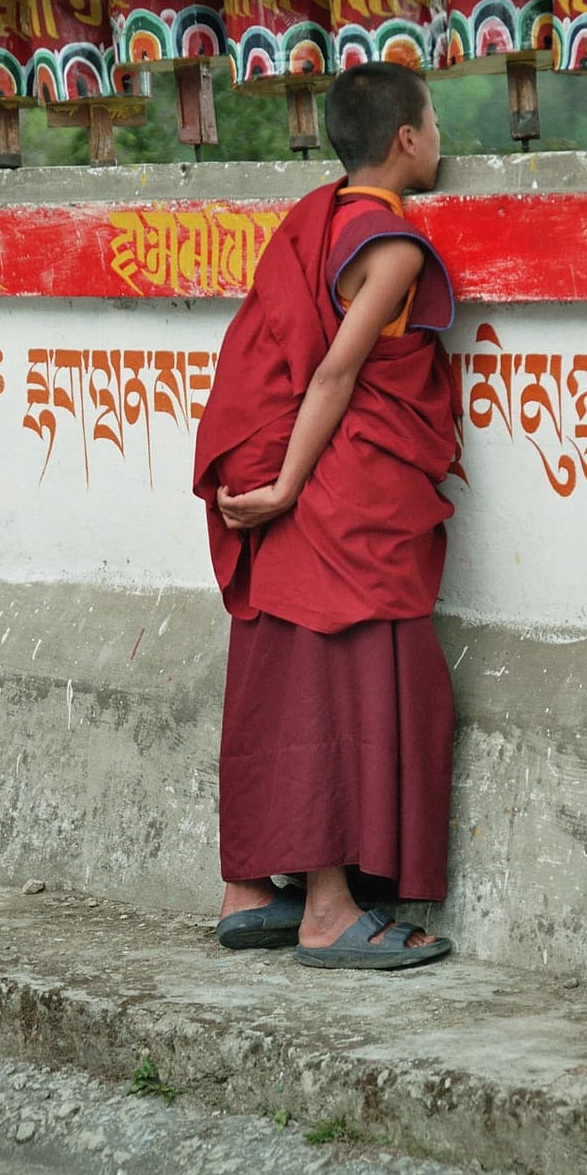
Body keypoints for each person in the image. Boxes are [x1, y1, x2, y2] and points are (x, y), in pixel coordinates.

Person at [193, 61, 458, 970]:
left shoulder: (314, 223)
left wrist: (270, 482)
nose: (439, 137)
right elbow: (335, 373)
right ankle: (331, 911)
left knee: (276, 680)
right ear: (407, 139)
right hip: (335, 488)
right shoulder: (391, 248)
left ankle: (248, 891)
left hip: (290, 480)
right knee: (337, 686)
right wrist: (287, 485)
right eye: (434, 121)